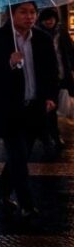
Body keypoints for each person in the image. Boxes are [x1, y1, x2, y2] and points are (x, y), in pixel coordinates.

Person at [0, 1, 59, 218]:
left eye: (33, 12)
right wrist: (8, 62)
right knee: (18, 154)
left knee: (20, 157)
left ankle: (2, 190)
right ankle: (27, 204)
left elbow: (52, 71)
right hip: (9, 110)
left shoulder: (42, 39)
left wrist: (51, 97)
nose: (29, 17)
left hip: (35, 108)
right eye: (23, 12)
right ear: (10, 13)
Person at [37, 8, 73, 154]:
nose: (49, 21)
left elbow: (70, 52)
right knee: (49, 109)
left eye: (52, 18)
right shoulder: (38, 34)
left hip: (62, 74)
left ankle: (51, 135)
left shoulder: (61, 32)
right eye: (46, 18)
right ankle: (51, 136)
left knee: (58, 105)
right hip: (46, 77)